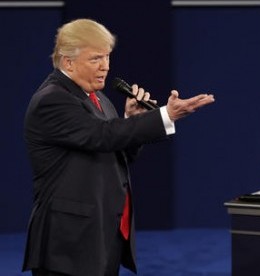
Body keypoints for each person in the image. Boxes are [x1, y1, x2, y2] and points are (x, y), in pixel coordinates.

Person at [22, 18, 214, 275]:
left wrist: (132, 122)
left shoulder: (97, 98)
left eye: (107, 57)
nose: (105, 67)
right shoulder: (52, 99)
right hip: (68, 243)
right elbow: (102, 135)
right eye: (95, 59)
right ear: (68, 61)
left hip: (101, 232)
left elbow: (115, 152)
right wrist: (164, 115)